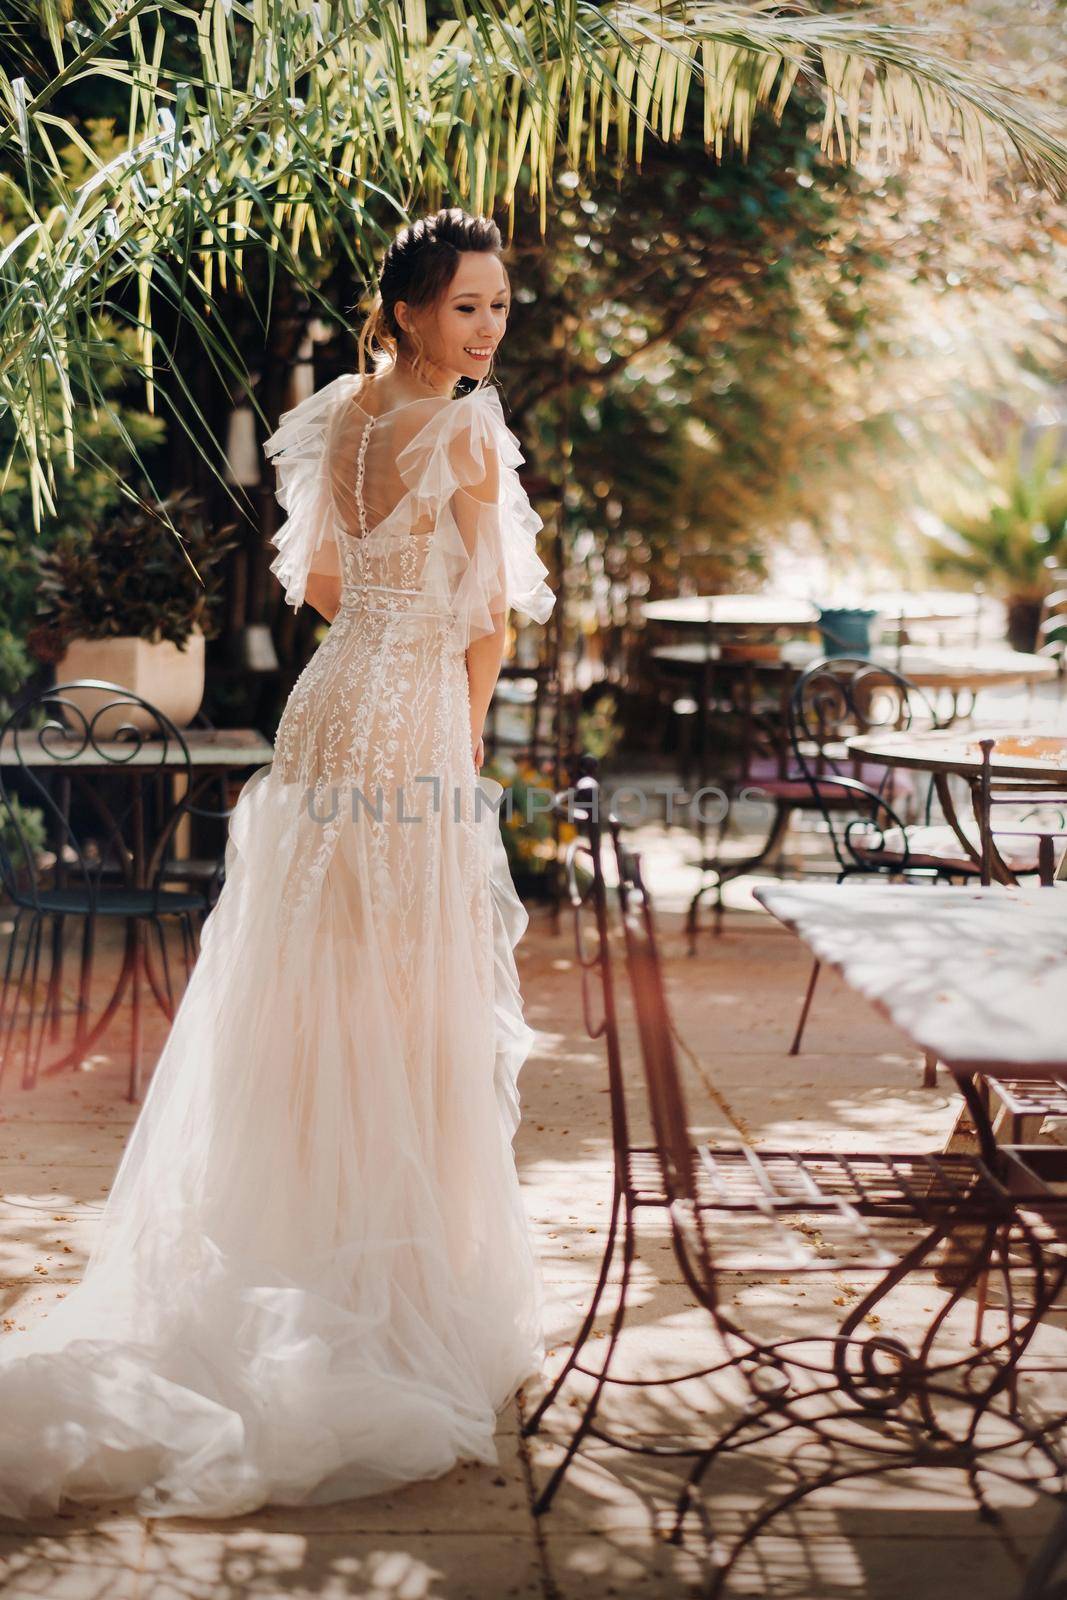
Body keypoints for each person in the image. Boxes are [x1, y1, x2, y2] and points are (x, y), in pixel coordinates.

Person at [0, 208, 557, 1520]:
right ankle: (386, 1284)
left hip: (330, 701)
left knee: (310, 986)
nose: (486, 329)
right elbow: (484, 618)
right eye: (468, 307)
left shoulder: (336, 414)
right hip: (409, 712)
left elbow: (316, 578)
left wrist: (380, 623)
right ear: (413, 307)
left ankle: (288, 1251)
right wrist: (459, 736)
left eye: (497, 309)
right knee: (399, 993)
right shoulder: (468, 426)